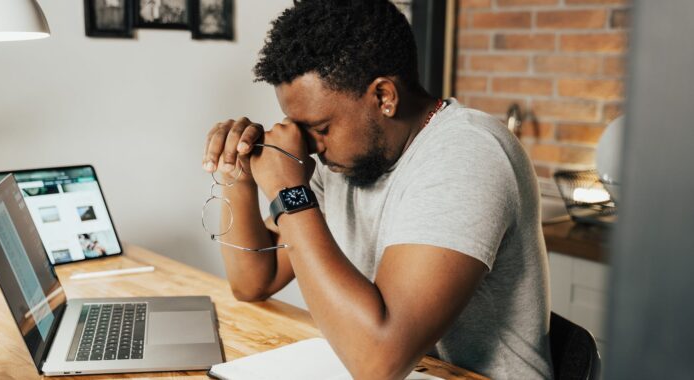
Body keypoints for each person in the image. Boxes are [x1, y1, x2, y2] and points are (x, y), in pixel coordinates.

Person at [202, 1, 553, 378]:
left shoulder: (467, 153)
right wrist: (238, 173)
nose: (312, 147)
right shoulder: (346, 160)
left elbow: (378, 362)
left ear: (384, 96)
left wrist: (289, 189)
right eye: (302, 131)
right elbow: (254, 280)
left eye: (320, 128)